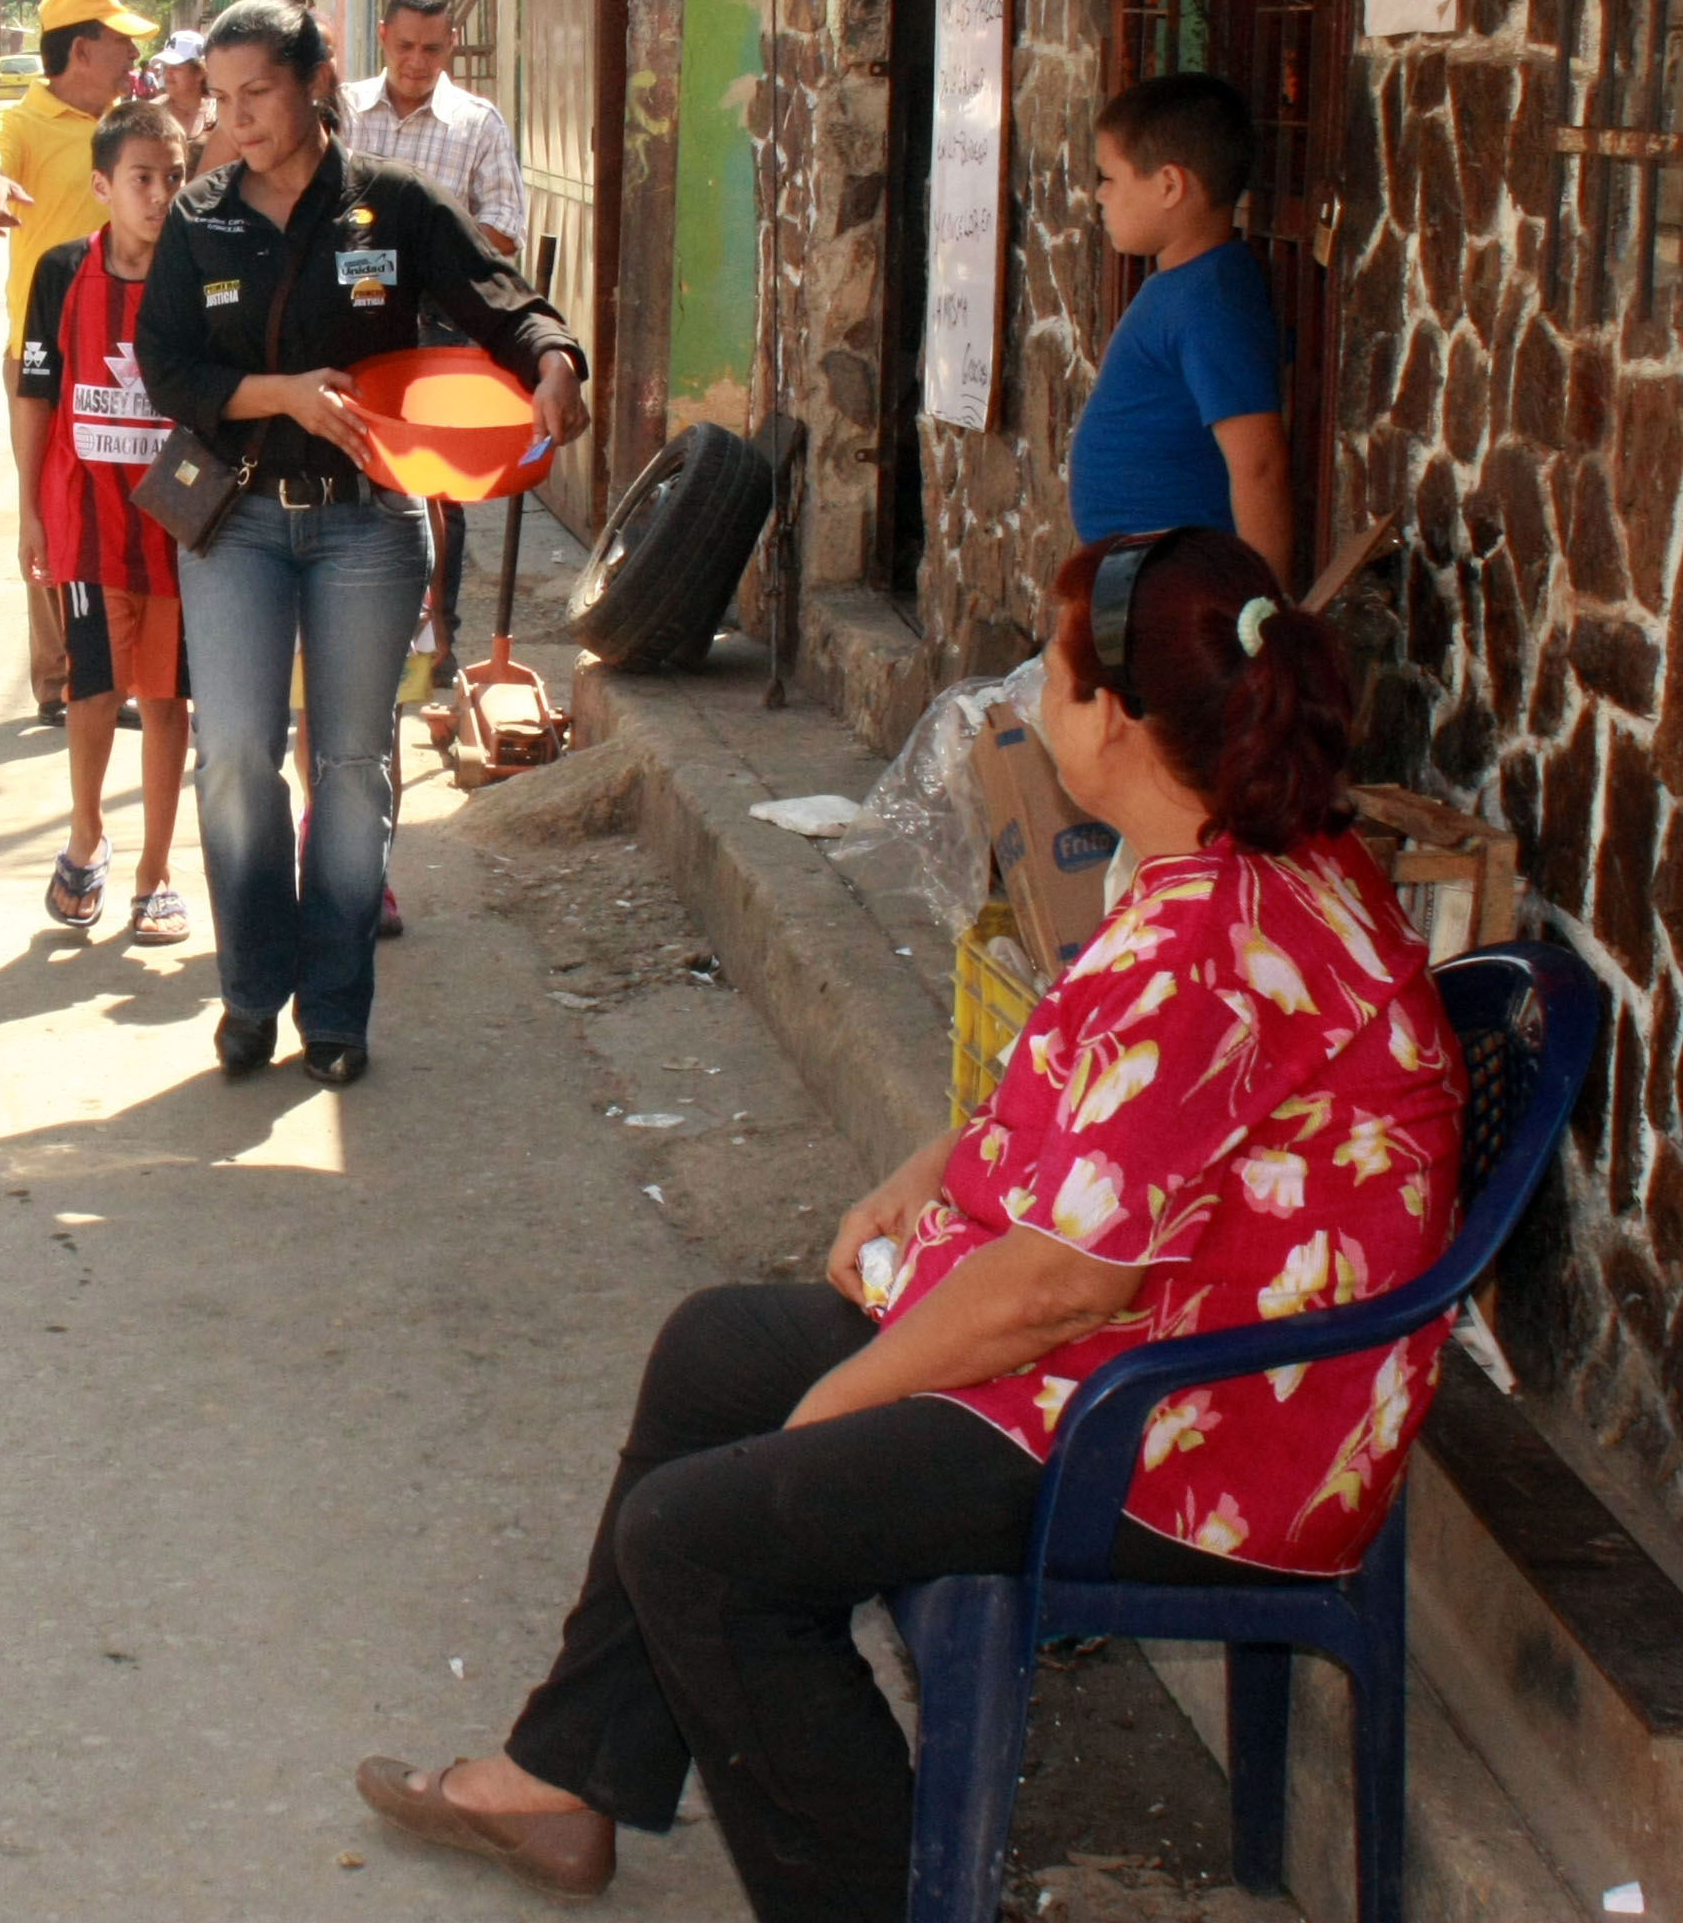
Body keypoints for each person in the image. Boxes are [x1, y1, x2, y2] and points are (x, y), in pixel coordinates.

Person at [354, 527, 1462, 1922]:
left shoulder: (1214, 948)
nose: (1024, 707)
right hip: (1168, 1358)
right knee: (713, 1354)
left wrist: (837, 1407)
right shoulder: (1248, 857)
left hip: (1198, 1436)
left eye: (1047, 680)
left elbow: (1060, 1288)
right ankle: (566, 1779)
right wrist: (942, 1166)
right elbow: (1116, 1114)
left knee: (707, 1544)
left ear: (1114, 720)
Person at [134, 0, 584, 1086]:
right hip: (236, 523)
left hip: (369, 529)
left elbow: (501, 302)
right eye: (225, 100)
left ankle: (334, 1011)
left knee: (349, 767)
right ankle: (250, 992)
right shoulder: (201, 222)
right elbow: (170, 371)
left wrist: (554, 362)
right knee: (237, 759)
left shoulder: (395, 205)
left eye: (261, 95)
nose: (238, 120)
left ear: (313, 79)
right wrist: (279, 392)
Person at [0, 0, 160, 726]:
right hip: (44, 361)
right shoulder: (21, 124)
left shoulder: (128, 125)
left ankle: (128, 670)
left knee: (136, 505)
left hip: (134, 357)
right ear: (81, 49)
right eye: (119, 39)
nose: (133, 51)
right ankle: (60, 682)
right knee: (50, 512)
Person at [14, 98, 193, 946]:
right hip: (85, 523)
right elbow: (36, 395)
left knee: (166, 700)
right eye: (142, 179)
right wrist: (29, 512)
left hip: (179, 526)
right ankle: (86, 835)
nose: (160, 196)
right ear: (101, 185)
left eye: (174, 178)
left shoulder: (197, 274)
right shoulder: (60, 272)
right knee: (93, 690)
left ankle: (157, 873)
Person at [339, 0, 530, 679]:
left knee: (441, 485)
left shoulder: (477, 123)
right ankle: (355, 630)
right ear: (383, 37)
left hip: (443, 324)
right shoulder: (343, 113)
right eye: (407, 45)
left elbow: (505, 228)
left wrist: (427, 247)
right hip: (352, 316)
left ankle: (437, 640)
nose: (419, 61)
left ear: (450, 46)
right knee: (356, 471)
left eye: (433, 47)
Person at [1070, 71, 1292, 582]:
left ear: (1169, 185)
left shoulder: (1210, 301)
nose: (1099, 195)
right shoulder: (1181, 285)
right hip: (1136, 574)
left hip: (1174, 582)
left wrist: (1267, 618)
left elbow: (1259, 465)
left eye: (1110, 177)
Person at [152, 27, 238, 176]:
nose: (167, 73)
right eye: (165, 67)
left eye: (176, 67)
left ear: (200, 71)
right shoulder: (150, 114)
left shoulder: (221, 114)